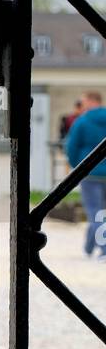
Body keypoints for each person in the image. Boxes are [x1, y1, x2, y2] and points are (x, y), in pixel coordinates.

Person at [65, 90, 106, 259]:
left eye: (83, 102)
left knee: (94, 211)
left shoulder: (82, 121)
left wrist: (78, 167)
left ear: (90, 101)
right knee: (101, 212)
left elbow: (71, 148)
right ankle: (89, 247)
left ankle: (104, 248)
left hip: (90, 172)